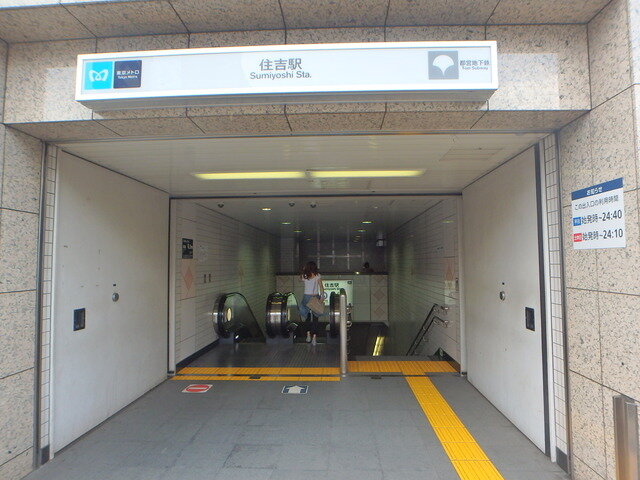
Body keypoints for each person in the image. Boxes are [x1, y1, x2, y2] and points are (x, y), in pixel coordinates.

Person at [299, 261, 324, 345]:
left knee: (307, 317)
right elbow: (321, 287)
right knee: (315, 318)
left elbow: (300, 279)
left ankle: (308, 335)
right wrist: (322, 297)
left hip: (306, 297)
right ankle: (314, 338)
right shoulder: (317, 275)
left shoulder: (305, 275)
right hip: (315, 297)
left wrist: (303, 270)